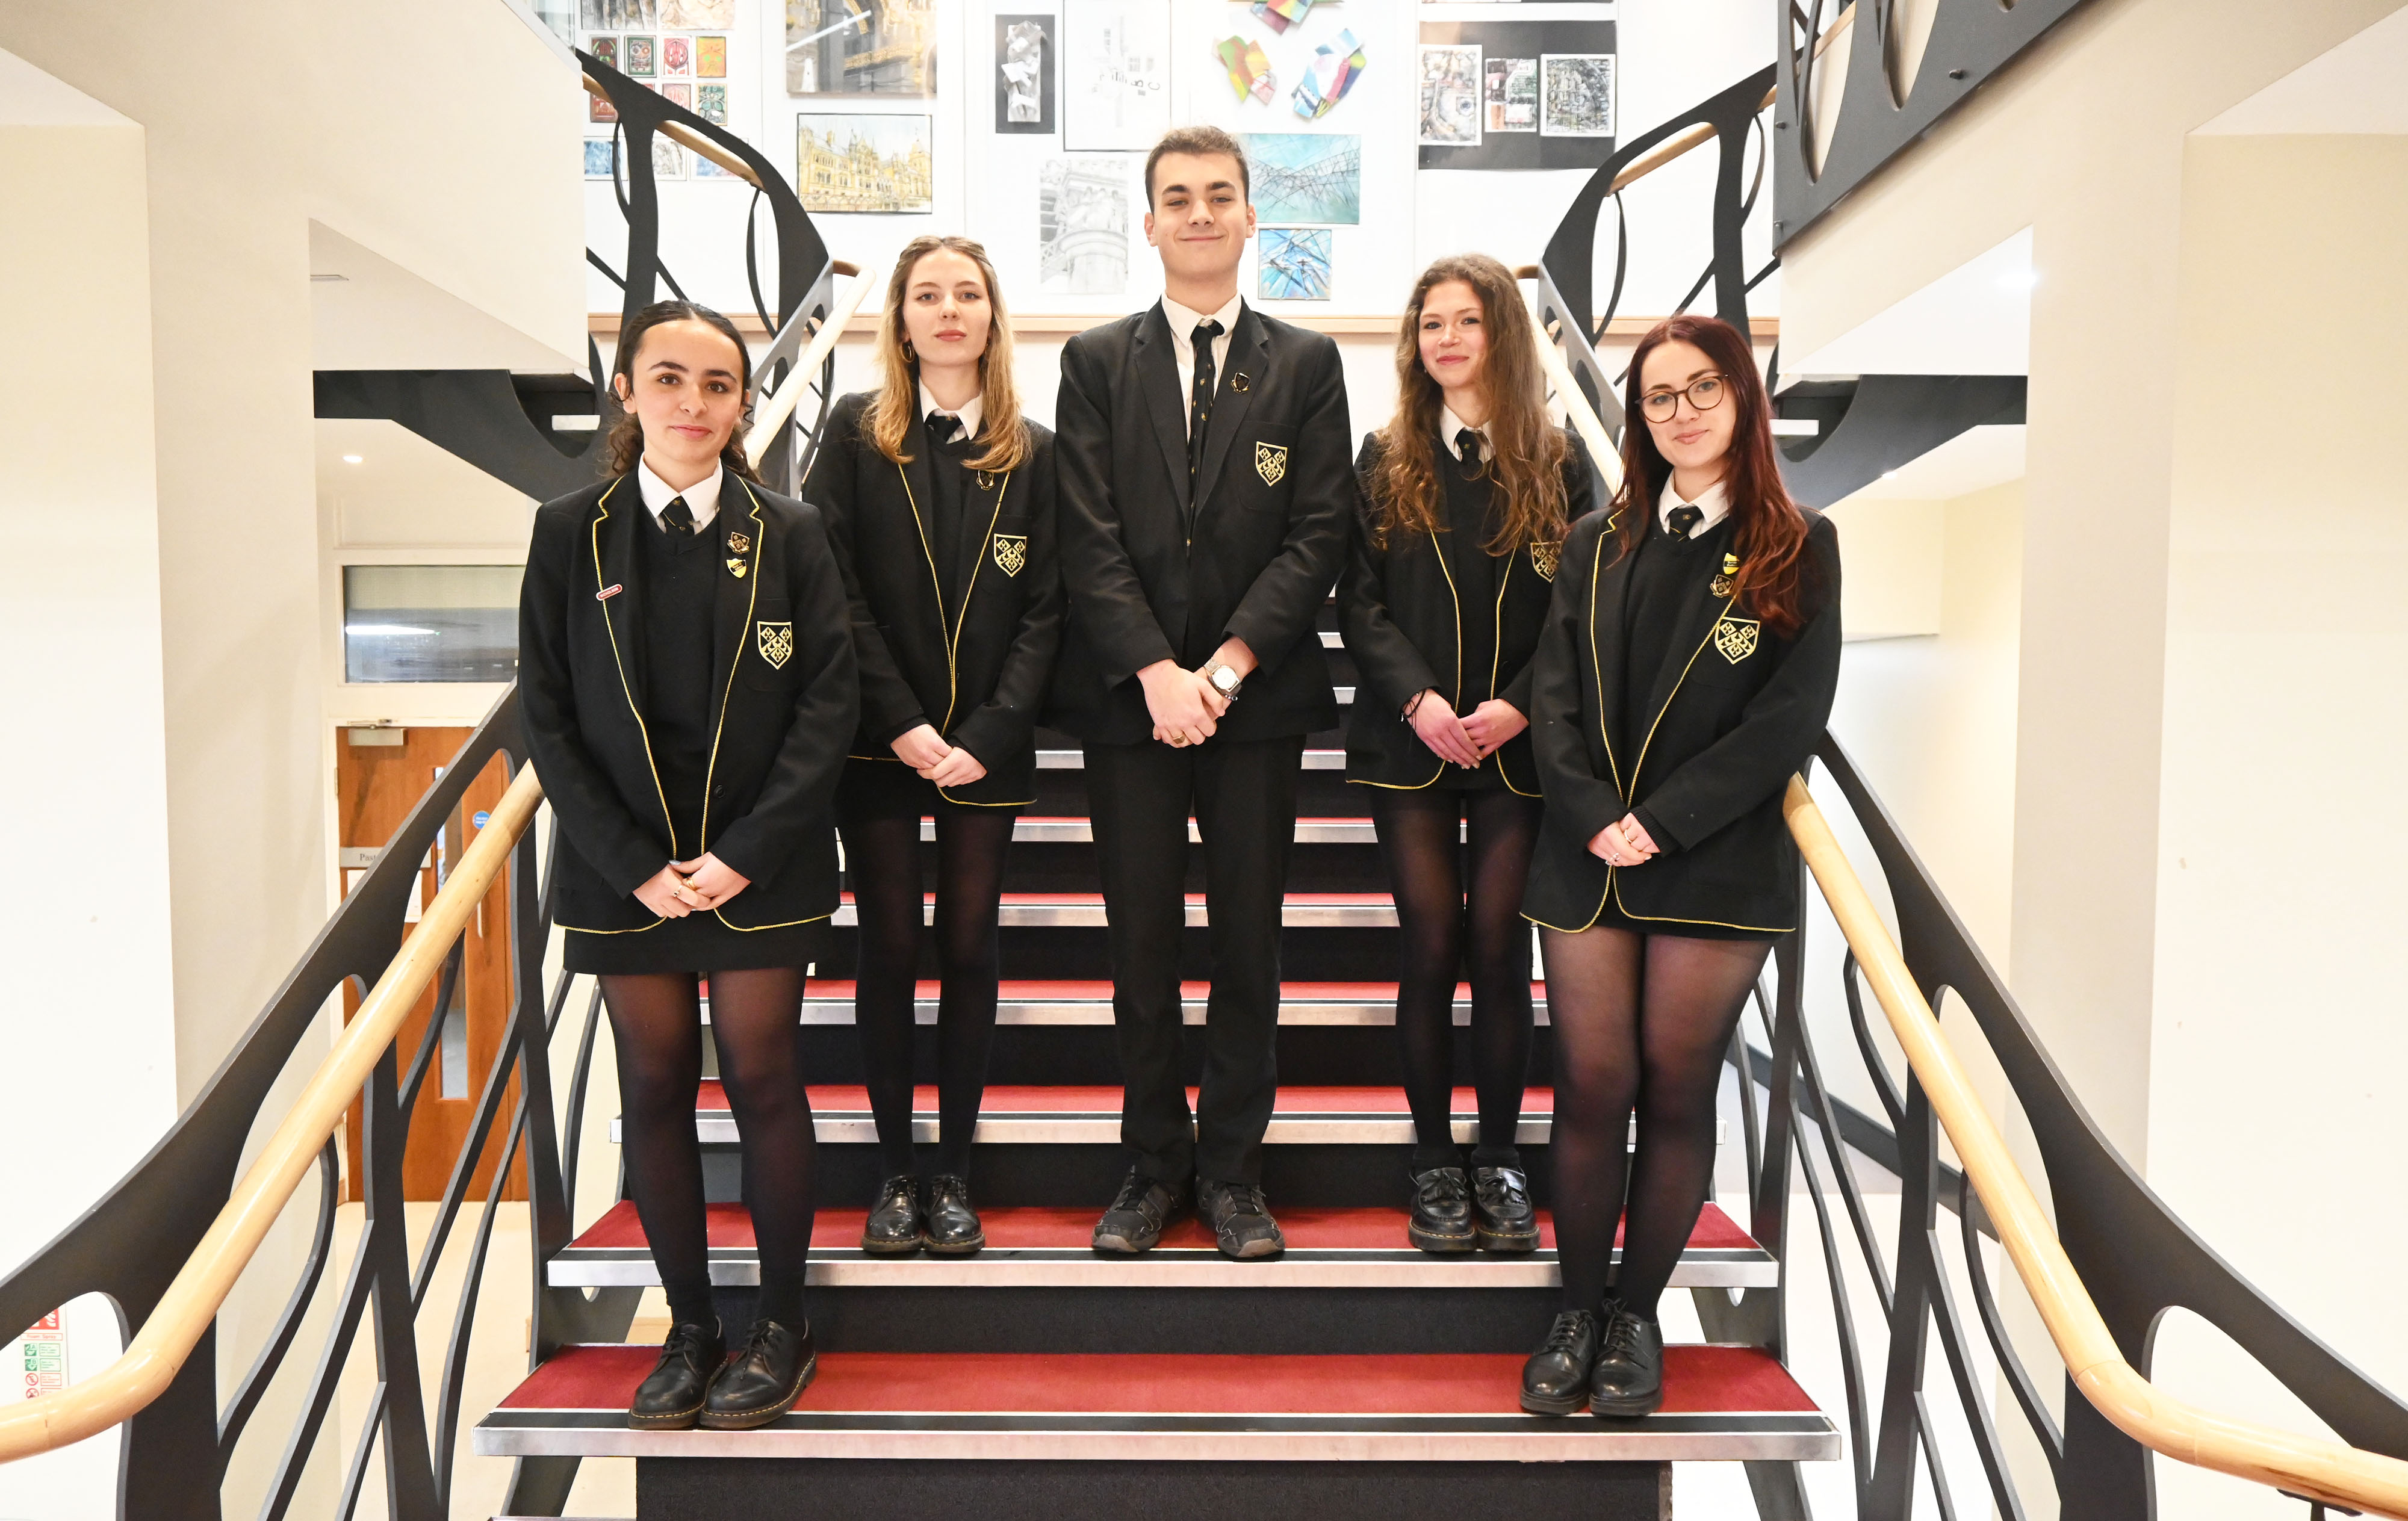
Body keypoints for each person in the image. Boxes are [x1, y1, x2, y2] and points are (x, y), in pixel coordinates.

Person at [518, 299, 857, 1432]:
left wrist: (743, 857)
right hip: (627, 877)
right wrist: (635, 865)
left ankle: (780, 1325)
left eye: (717, 385)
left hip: (764, 867)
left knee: (764, 1081)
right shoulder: (570, 530)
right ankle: (691, 1328)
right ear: (627, 391)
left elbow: (827, 706)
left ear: (742, 403)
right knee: (654, 1089)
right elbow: (550, 714)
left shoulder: (794, 531)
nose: (693, 404)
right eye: (669, 379)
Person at [1516, 314, 1840, 1417]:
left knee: (1677, 1088)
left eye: (1702, 389)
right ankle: (1575, 1306)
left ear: (1742, 398)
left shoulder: (1800, 543)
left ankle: (1637, 1314)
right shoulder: (1593, 540)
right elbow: (1551, 693)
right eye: (1658, 397)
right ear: (1638, 417)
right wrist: (1597, 814)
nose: (1681, 412)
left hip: (1712, 862)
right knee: (1593, 1086)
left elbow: (1788, 717)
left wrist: (1665, 821)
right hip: (1588, 857)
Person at [1049, 125, 1351, 1262]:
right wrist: (1156, 673)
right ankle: (1151, 1165)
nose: (1199, 214)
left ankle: (1231, 1171)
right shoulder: (1093, 361)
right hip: (1131, 705)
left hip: (1253, 708)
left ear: (1248, 216)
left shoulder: (1308, 365)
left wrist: (1220, 670)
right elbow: (1086, 532)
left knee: (1246, 950)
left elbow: (1319, 533)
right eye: (1176, 197)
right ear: (1149, 222)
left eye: (1219, 195)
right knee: (1139, 952)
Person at [807, 236, 1061, 1259]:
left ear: (993, 316)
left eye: (967, 292)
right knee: (888, 951)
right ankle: (891, 1171)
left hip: (986, 754)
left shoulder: (1033, 451)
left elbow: (1048, 609)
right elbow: (835, 593)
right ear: (901, 320)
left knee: (967, 948)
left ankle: (952, 1169)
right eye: (927, 295)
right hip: (878, 746)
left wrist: (989, 735)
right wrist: (906, 726)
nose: (948, 309)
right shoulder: (854, 438)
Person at [1340, 254, 1595, 1256]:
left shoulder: (1563, 461)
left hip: (1519, 751)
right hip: (1411, 740)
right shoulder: (1384, 456)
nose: (1445, 339)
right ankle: (1434, 1159)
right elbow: (1356, 603)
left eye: (1467, 321)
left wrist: (1521, 707)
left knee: (1499, 953)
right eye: (1430, 324)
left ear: (1503, 335)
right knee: (1431, 948)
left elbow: (1582, 610)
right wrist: (1419, 699)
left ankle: (1497, 1154)